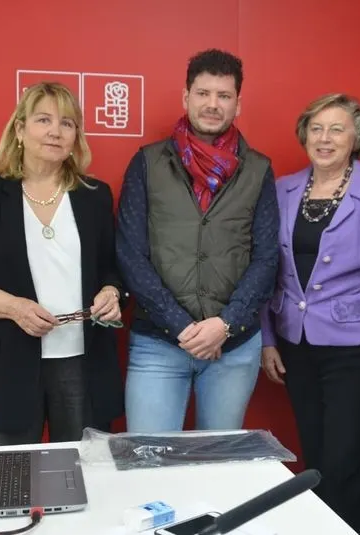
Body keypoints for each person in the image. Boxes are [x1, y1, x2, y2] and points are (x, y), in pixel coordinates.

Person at [0, 82, 126, 447]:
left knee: (88, 480)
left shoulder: (94, 196)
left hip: (82, 364)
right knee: (3, 482)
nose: (56, 131)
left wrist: (111, 290)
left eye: (67, 123)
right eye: (44, 120)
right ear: (20, 130)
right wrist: (14, 308)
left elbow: (111, 268)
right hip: (6, 365)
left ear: (76, 137)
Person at [259, 93, 360, 533]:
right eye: (316, 128)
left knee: (345, 463)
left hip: (359, 350)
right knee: (316, 459)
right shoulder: (282, 190)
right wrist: (268, 338)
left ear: (356, 137)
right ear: (304, 134)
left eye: (336, 129)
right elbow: (268, 270)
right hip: (297, 343)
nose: (324, 138)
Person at [117, 49, 280, 432]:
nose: (212, 104)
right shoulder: (147, 162)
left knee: (218, 469)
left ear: (238, 104)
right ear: (185, 97)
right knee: (149, 461)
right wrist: (180, 326)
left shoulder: (258, 170)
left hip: (233, 346)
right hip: (158, 342)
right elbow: (130, 253)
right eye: (203, 93)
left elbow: (266, 257)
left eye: (223, 96)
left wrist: (224, 325)